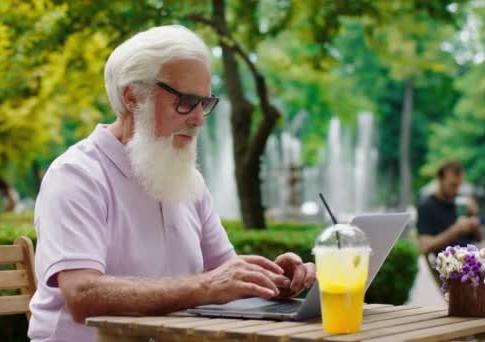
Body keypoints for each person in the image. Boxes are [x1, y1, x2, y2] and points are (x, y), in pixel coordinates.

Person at [28, 25, 316, 341]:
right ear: (133, 97)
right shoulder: (77, 175)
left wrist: (272, 282)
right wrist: (207, 286)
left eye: (204, 103)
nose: (198, 119)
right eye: (186, 101)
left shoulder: (186, 179)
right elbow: (82, 295)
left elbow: (225, 276)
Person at [417, 161, 485, 258]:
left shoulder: (460, 204)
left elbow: (480, 238)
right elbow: (425, 247)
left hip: (471, 254)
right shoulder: (427, 206)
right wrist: (456, 230)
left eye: (459, 185)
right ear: (440, 179)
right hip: (449, 260)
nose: (456, 189)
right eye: (453, 185)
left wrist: (474, 216)